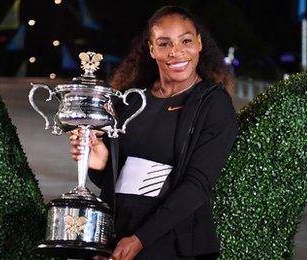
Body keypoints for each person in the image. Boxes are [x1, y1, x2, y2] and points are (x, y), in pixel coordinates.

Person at [70, 6, 237, 260]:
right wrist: (99, 163)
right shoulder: (132, 101)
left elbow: (197, 185)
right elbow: (115, 181)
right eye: (164, 43)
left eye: (186, 41)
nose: (176, 52)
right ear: (151, 49)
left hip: (169, 239)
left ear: (199, 44)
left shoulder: (213, 103)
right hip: (116, 234)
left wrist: (140, 240)